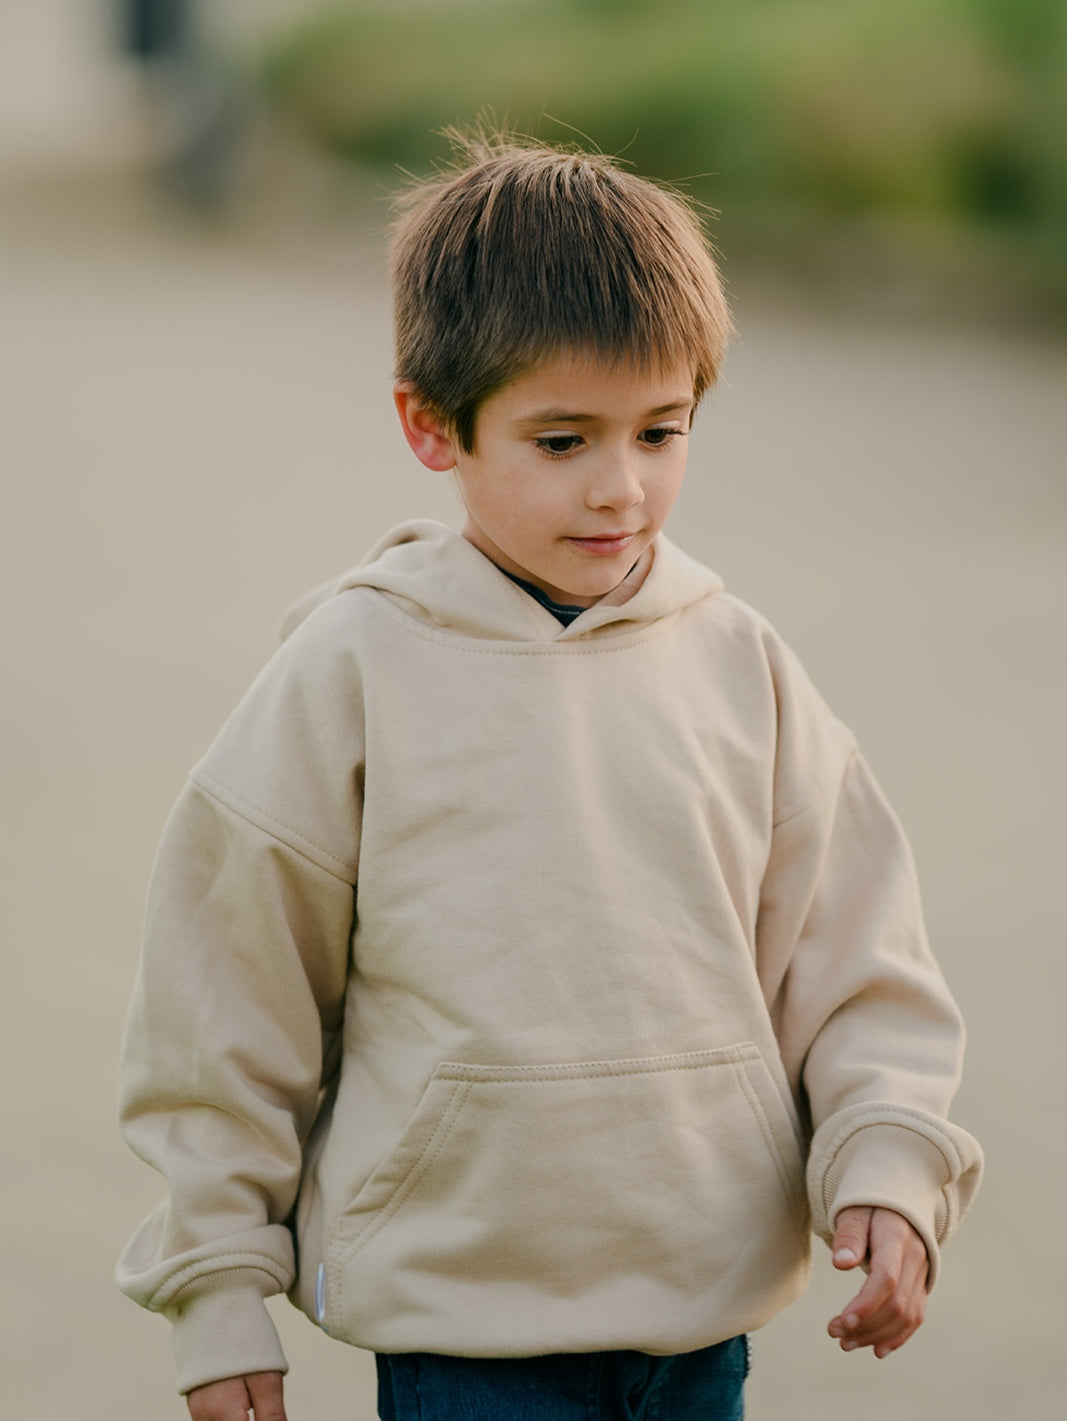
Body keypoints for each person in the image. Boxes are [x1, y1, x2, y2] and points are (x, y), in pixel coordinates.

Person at [117, 132, 983, 1421]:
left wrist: (887, 1164)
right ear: (430, 424)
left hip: (702, 1324)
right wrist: (217, 1286)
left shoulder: (744, 666)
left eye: (661, 430)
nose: (623, 488)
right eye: (564, 439)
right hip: (462, 1334)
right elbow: (226, 1004)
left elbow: (858, 963)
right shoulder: (348, 674)